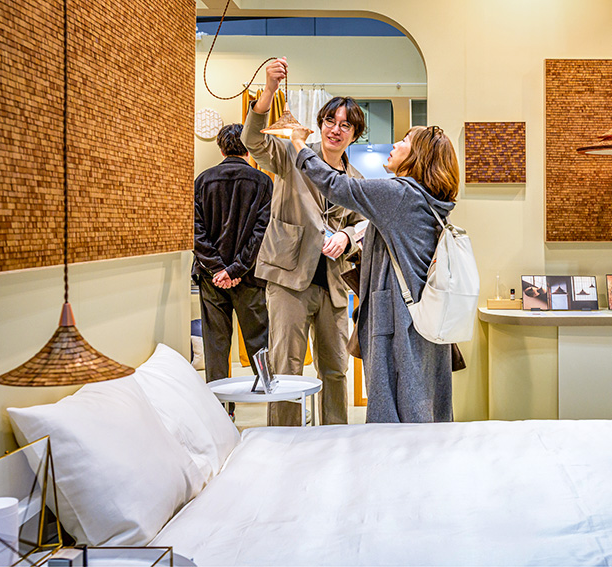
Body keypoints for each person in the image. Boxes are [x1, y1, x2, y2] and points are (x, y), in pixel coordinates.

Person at [290, 125, 459, 423]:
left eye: (404, 141)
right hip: (425, 316)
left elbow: (336, 185)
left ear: (418, 155)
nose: (395, 144)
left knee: (397, 407)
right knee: (426, 400)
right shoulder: (429, 200)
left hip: (396, 319)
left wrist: (299, 145)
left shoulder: (399, 194)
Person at [241, 58, 366, 426]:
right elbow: (252, 141)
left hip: (333, 285)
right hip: (288, 279)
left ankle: (335, 439)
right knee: (285, 370)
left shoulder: (356, 181)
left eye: (345, 125)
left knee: (336, 370)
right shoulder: (292, 155)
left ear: (354, 134)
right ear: (321, 124)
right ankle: (284, 440)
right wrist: (269, 92)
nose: (335, 130)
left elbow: (364, 226)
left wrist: (346, 236)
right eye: (330, 121)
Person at [193, 123, 272, 417]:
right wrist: (237, 268)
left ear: (221, 147)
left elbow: (195, 231)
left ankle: (221, 412)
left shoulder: (202, 181)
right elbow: (262, 233)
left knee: (216, 345)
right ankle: (276, 403)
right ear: (248, 147)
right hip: (250, 277)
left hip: (211, 278)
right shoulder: (262, 182)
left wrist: (218, 268)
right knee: (259, 341)